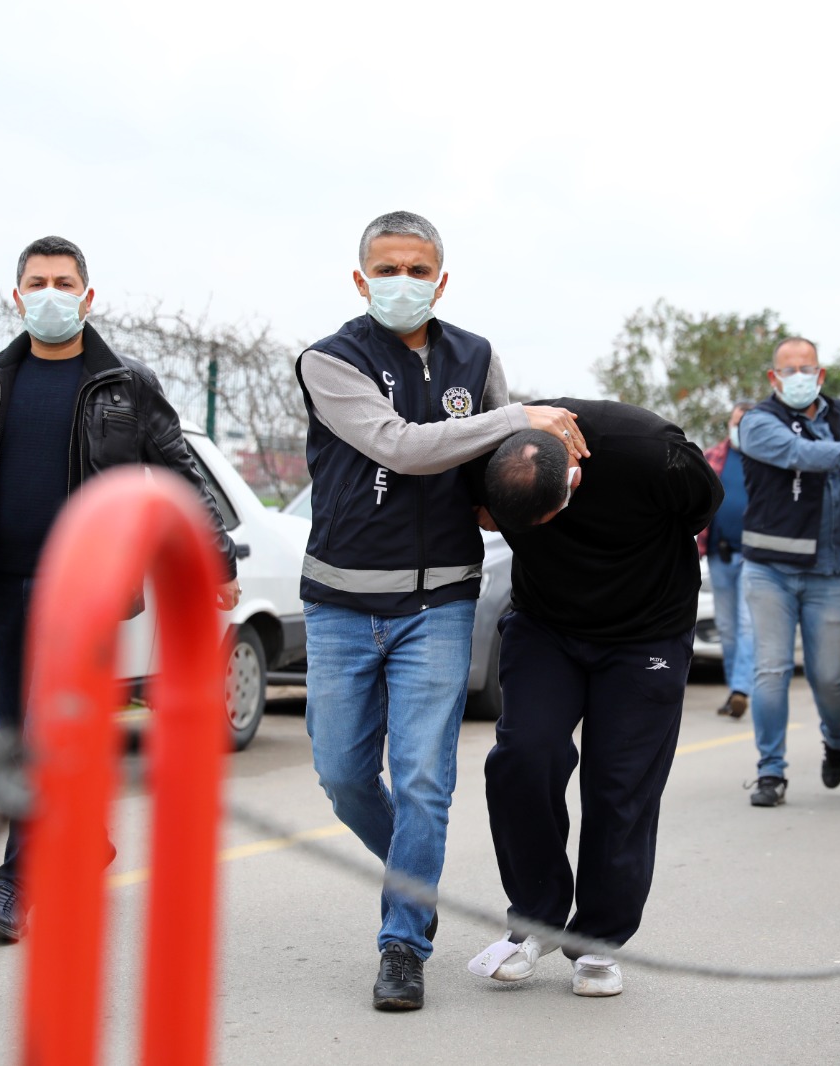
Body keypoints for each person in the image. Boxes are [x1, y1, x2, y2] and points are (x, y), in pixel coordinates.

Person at [0, 236, 241, 943]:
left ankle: (15, 884)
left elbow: (180, 470)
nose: (51, 293)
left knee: (47, 727)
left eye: (64, 281)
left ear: (88, 295)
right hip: (2, 584)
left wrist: (218, 557)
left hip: (89, 589)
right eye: (38, 282)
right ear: (17, 296)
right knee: (20, 729)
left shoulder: (125, 385)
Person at [295, 211, 586, 1011]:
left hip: (442, 601)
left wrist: (527, 478)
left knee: (425, 781)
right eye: (386, 269)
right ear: (361, 280)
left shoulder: (475, 356)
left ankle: (403, 944)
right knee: (343, 773)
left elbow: (493, 464)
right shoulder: (329, 360)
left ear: (441, 278)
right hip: (344, 602)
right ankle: (415, 876)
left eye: (417, 268)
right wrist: (517, 413)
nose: (403, 281)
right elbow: (399, 444)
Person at [465, 407, 721, 998]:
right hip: (546, 624)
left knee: (620, 784)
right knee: (524, 755)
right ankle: (534, 921)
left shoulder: (653, 455)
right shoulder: (492, 448)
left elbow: (702, 512)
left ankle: (599, 942)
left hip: (646, 633)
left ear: (573, 482)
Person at [737, 338, 840, 809]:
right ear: (773, 377)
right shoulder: (758, 423)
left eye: (808, 368)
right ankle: (770, 772)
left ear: (820, 375)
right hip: (771, 571)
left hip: (831, 571)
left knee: (829, 676)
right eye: (790, 369)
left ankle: (838, 738)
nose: (799, 376)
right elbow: (802, 455)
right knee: (771, 671)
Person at [699, 401, 757, 717]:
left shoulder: (764, 459)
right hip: (719, 555)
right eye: (735, 422)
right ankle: (734, 686)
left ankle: (741, 687)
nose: (738, 428)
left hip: (753, 556)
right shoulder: (713, 457)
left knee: (748, 623)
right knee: (728, 627)